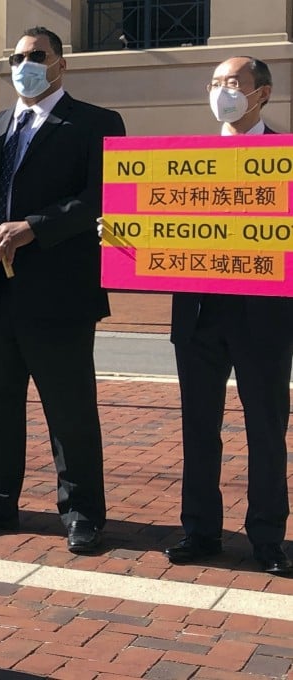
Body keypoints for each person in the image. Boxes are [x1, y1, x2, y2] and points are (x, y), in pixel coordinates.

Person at [0, 27, 126, 554]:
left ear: (60, 64)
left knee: (69, 409)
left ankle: (82, 513)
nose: (25, 63)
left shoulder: (95, 123)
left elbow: (100, 197)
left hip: (59, 294)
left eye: (36, 56)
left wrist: (34, 227)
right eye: (18, 56)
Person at [163, 56, 293, 576]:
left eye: (233, 83)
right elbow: (158, 226)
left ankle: (266, 538)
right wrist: (124, 234)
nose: (222, 91)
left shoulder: (285, 158)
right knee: (198, 426)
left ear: (261, 94)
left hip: (264, 318)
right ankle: (199, 530)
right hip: (198, 315)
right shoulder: (177, 161)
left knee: (266, 429)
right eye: (215, 82)